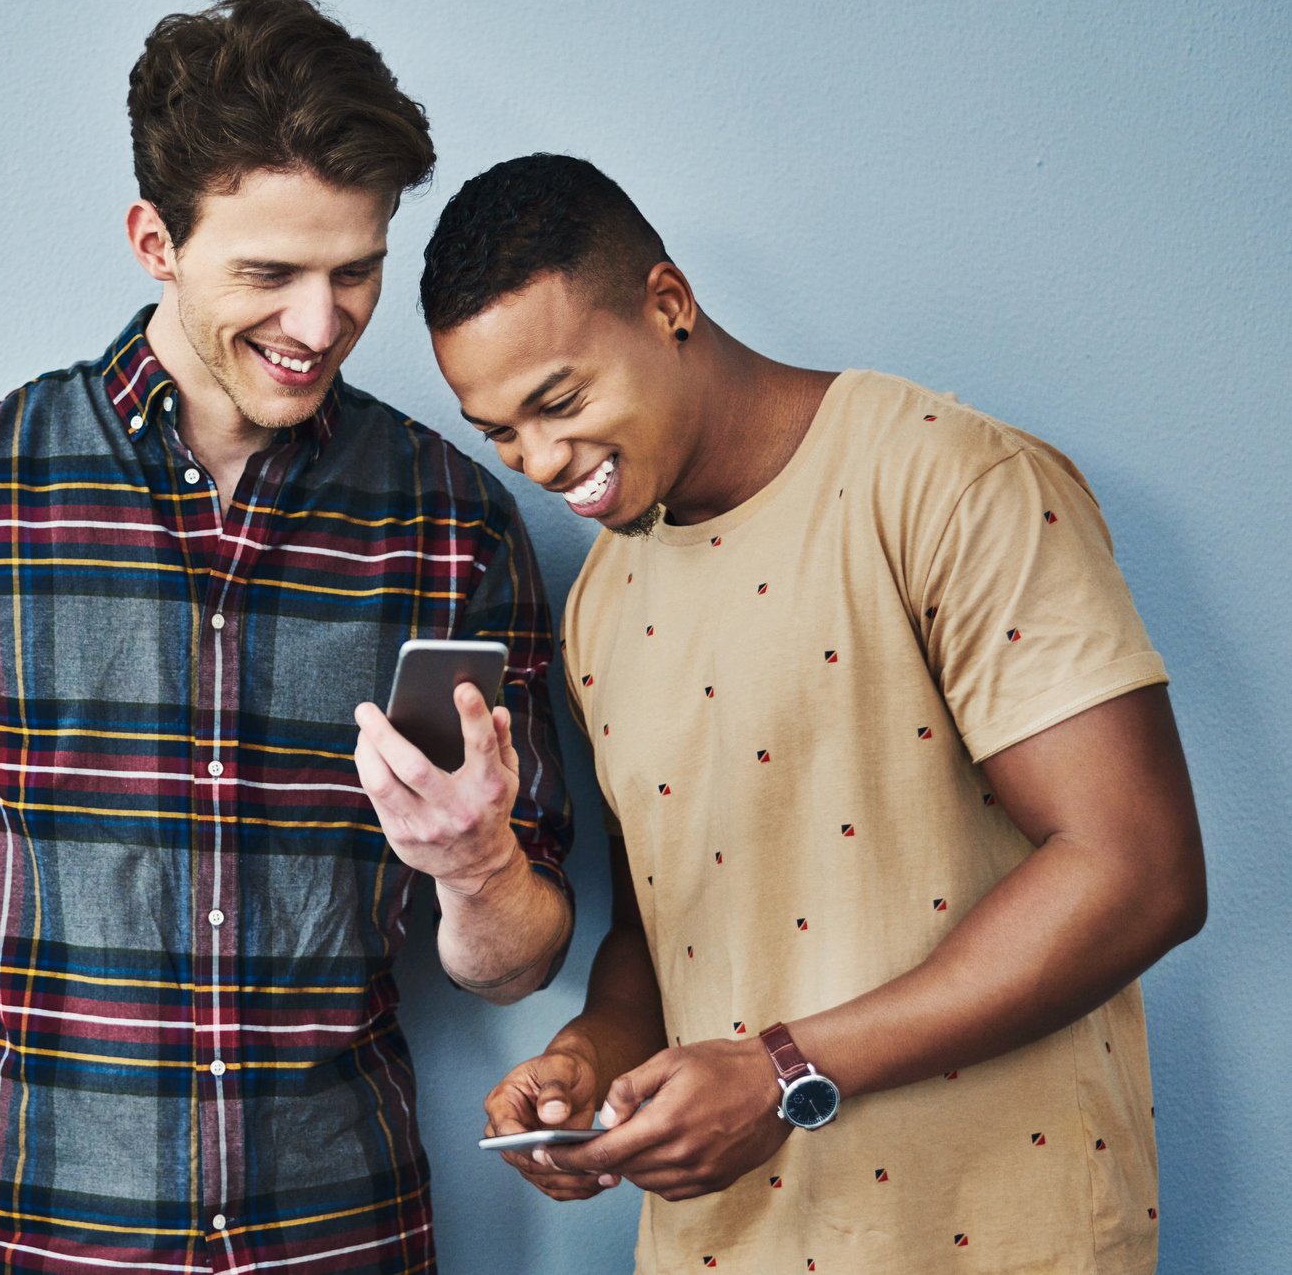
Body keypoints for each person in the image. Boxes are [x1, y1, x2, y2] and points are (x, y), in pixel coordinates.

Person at [0, 0, 576, 1275]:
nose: (320, 326)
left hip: (341, 1239)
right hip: (43, 1241)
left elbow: (519, 963)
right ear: (156, 240)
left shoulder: (451, 523)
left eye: (355, 270)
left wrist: (477, 868)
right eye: (271, 273)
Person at [420, 152, 1206, 1274]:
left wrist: (783, 1069)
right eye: (498, 431)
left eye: (561, 400)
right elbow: (669, 920)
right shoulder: (599, 602)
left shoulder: (948, 482)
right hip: (722, 1250)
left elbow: (1141, 870)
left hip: (998, 1240)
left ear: (669, 303)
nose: (541, 459)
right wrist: (589, 1059)